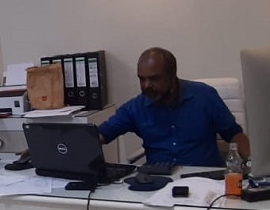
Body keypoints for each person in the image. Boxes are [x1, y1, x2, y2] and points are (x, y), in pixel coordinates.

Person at [97, 47, 250, 167]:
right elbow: (103, 133)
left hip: (205, 179)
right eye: (142, 79)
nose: (146, 85)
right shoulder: (136, 107)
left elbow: (234, 135)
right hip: (159, 182)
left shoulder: (205, 96)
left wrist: (252, 164)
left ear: (172, 75)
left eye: (154, 79)